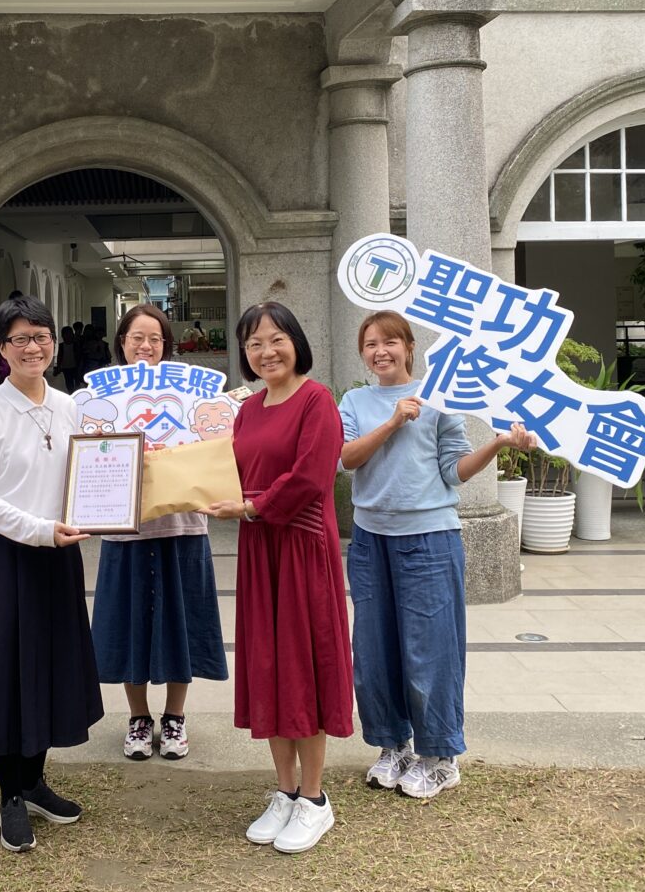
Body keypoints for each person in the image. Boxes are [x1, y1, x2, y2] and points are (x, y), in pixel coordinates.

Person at [338, 310, 531, 800]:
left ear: (409, 346)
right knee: (374, 652)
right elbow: (346, 459)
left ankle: (440, 757)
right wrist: (393, 421)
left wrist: (498, 443)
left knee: (431, 651)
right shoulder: (355, 401)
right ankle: (393, 746)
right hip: (370, 540)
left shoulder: (439, 399)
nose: (380, 352)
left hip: (429, 539)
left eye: (389, 342)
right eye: (370, 344)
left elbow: (455, 471)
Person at [0, 294, 103, 853]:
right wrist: (39, 529)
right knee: (6, 673)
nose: (32, 347)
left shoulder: (70, 406)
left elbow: (90, 472)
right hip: (5, 559)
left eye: (41, 336)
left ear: (54, 343)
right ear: (1, 348)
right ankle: (10, 793)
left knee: (50, 667)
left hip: (57, 556)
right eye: (20, 339)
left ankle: (35, 781)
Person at [208, 302, 352, 855]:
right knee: (269, 666)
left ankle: (314, 799)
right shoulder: (248, 409)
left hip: (301, 548)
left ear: (296, 342)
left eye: (276, 339)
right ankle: (285, 791)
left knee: (303, 667)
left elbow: (310, 479)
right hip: (259, 549)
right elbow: (230, 469)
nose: (266, 352)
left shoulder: (317, 401)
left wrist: (250, 507)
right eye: (253, 344)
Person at [92, 304, 228, 761]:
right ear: (122, 343)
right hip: (124, 530)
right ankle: (138, 718)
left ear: (167, 345)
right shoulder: (100, 399)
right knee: (128, 624)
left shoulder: (191, 394)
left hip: (183, 527)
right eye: (137, 337)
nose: (146, 346)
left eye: (155, 338)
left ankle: (174, 717)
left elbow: (216, 440)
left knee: (180, 624)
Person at [56, 325, 81, 391]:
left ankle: (75, 391)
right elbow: (60, 356)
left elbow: (78, 355)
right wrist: (59, 366)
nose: (68, 336)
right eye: (66, 334)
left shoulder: (75, 345)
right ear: (63, 336)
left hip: (75, 366)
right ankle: (71, 392)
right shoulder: (61, 345)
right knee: (68, 382)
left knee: (76, 381)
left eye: (69, 334)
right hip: (66, 367)